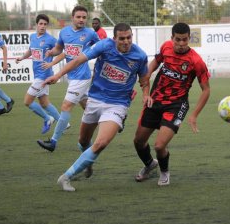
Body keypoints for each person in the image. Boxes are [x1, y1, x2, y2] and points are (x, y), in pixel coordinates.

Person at [43, 23, 150, 192]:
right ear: (114, 38)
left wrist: (146, 94)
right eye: (122, 38)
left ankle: (66, 177)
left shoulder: (140, 56)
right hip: (94, 100)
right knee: (83, 141)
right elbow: (78, 59)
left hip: (118, 104)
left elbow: (144, 79)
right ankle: (88, 163)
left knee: (101, 143)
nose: (126, 41)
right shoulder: (104, 45)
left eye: (129, 37)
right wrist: (57, 75)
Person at [133, 22, 211, 186]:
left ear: (189, 38)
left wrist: (194, 115)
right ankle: (149, 165)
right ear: (172, 38)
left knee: (159, 145)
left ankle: (164, 172)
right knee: (138, 141)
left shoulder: (196, 61)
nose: (181, 44)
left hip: (176, 105)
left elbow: (206, 90)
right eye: (178, 40)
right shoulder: (166, 47)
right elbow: (155, 63)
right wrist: (146, 79)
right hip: (155, 101)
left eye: (185, 40)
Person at [37, 5, 100, 151]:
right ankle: (112, 119)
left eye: (84, 17)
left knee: (66, 106)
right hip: (72, 76)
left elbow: (101, 47)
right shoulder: (64, 32)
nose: (81, 20)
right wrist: (51, 53)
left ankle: (53, 142)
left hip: (82, 77)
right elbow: (60, 49)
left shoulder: (90, 34)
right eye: (78, 17)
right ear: (72, 18)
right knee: (88, 106)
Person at [16, 14, 61, 134]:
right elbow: (31, 51)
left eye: (45, 24)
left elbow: (60, 49)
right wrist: (21, 57)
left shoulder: (50, 39)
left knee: (27, 101)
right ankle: (64, 123)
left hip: (44, 75)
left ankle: (48, 119)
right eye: (40, 24)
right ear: (36, 25)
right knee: (44, 102)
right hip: (37, 74)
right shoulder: (32, 37)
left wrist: (52, 53)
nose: (43, 26)